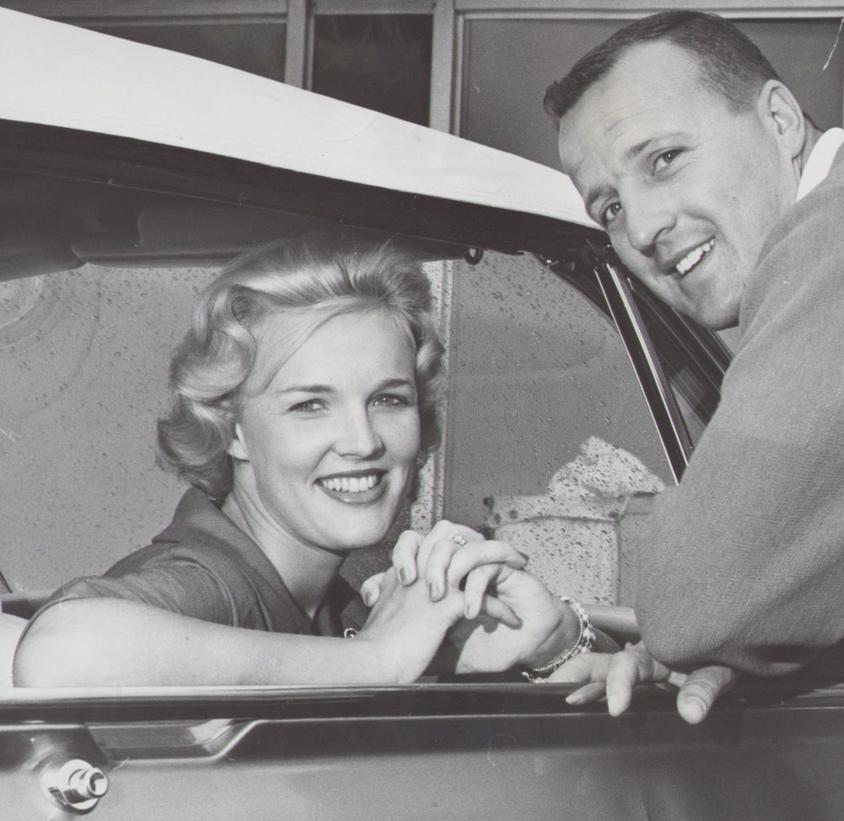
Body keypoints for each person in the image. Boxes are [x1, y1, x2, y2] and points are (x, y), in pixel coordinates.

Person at [528, 10, 844, 716]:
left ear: (782, 120)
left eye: (664, 159)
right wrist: (733, 653)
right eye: (607, 208)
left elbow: (698, 598)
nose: (640, 229)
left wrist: (703, 630)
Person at [12, 233, 584, 687]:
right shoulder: (211, 580)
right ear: (231, 429)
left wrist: (551, 640)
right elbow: (62, 651)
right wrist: (382, 660)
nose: (362, 441)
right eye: (310, 405)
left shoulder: (334, 596)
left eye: (388, 399)